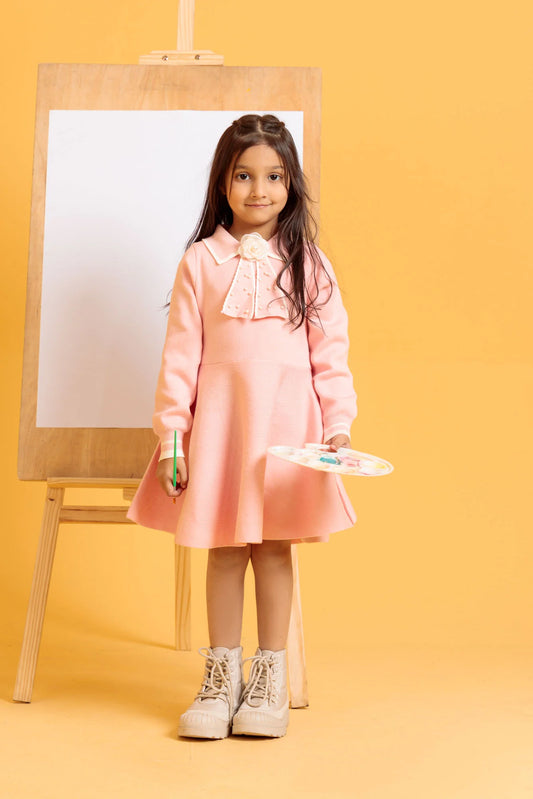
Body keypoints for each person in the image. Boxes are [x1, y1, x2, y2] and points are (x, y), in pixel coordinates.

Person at [127, 114, 357, 740]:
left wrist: (337, 427)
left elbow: (329, 355)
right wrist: (173, 435)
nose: (260, 189)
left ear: (292, 183)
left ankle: (269, 678)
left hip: (286, 435)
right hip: (223, 432)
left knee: (274, 549)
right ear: (223, 183)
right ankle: (219, 677)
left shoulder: (310, 263)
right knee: (226, 550)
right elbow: (181, 356)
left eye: (274, 176)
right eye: (245, 175)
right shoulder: (200, 262)